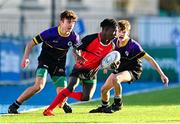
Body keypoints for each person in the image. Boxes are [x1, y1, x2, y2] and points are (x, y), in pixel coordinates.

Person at [89, 20, 169, 113]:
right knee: (103, 90)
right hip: (120, 69)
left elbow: (150, 59)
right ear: (116, 32)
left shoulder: (133, 46)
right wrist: (106, 67)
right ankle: (104, 106)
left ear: (128, 32)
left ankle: (118, 104)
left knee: (116, 79)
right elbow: (107, 56)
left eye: (124, 32)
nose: (121, 34)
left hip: (133, 70)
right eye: (119, 31)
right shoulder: (113, 43)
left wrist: (162, 74)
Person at [8, 10, 80, 114]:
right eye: (68, 21)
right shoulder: (50, 33)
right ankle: (14, 105)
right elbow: (30, 44)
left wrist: (79, 59)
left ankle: (63, 103)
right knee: (39, 86)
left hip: (59, 64)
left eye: (73, 22)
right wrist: (26, 57)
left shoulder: (75, 37)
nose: (71, 25)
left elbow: (77, 50)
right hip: (45, 60)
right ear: (61, 22)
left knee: (63, 92)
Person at [43, 18, 118, 116]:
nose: (116, 33)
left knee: (86, 98)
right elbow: (75, 49)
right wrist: (78, 56)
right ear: (106, 29)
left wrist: (112, 65)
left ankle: (63, 93)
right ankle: (48, 110)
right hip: (80, 68)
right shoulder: (90, 38)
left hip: (92, 73)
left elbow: (106, 62)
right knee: (71, 86)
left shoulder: (112, 46)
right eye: (114, 31)